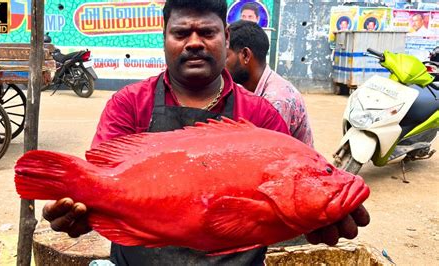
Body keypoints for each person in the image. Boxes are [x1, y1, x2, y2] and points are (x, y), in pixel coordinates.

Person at [42, 0, 370, 265]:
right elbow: (100, 178)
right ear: (165, 37)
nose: (195, 42)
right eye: (182, 32)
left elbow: (273, 217)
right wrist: (83, 205)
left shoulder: (261, 115)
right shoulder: (129, 103)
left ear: (226, 36)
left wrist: (310, 220)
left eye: (208, 32)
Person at [226, 20, 314, 147]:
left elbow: (266, 152)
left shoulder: (277, 100)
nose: (221, 65)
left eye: (225, 57)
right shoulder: (245, 89)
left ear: (245, 55)